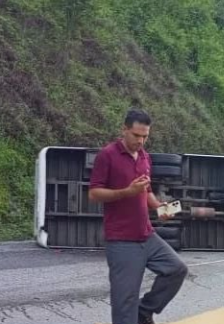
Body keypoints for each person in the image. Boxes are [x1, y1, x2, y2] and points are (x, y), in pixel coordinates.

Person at [89, 109, 188, 324]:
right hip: (122, 240)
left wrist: (159, 207)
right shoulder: (107, 155)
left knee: (176, 270)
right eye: (136, 135)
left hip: (147, 236)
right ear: (124, 129)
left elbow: (146, 190)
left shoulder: (144, 157)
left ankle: (143, 312)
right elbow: (94, 193)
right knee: (125, 302)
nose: (141, 141)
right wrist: (126, 192)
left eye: (145, 136)